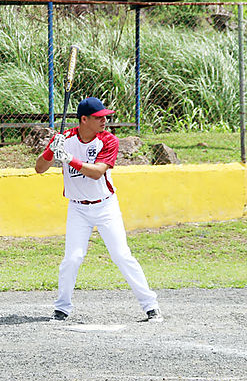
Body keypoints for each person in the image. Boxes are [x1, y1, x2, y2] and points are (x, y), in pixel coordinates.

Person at [34, 97, 163, 323]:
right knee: (72, 258)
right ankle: (62, 309)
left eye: (105, 116)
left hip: (105, 206)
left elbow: (97, 173)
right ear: (84, 119)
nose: (105, 121)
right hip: (78, 209)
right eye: (99, 117)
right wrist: (51, 151)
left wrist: (70, 159)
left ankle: (151, 306)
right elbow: (39, 169)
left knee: (122, 255)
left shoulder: (108, 140)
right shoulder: (65, 139)